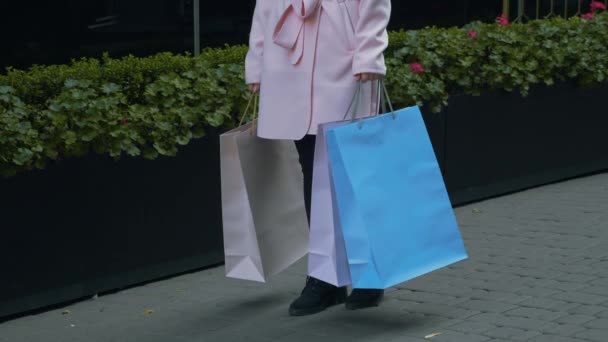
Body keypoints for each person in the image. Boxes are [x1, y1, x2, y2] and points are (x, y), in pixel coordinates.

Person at [245, 0, 391, 316]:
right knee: (314, 174)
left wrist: (369, 54)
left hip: (345, 62)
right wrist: (256, 64)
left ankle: (369, 271)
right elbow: (265, 7)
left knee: (352, 172)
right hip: (290, 68)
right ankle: (325, 278)